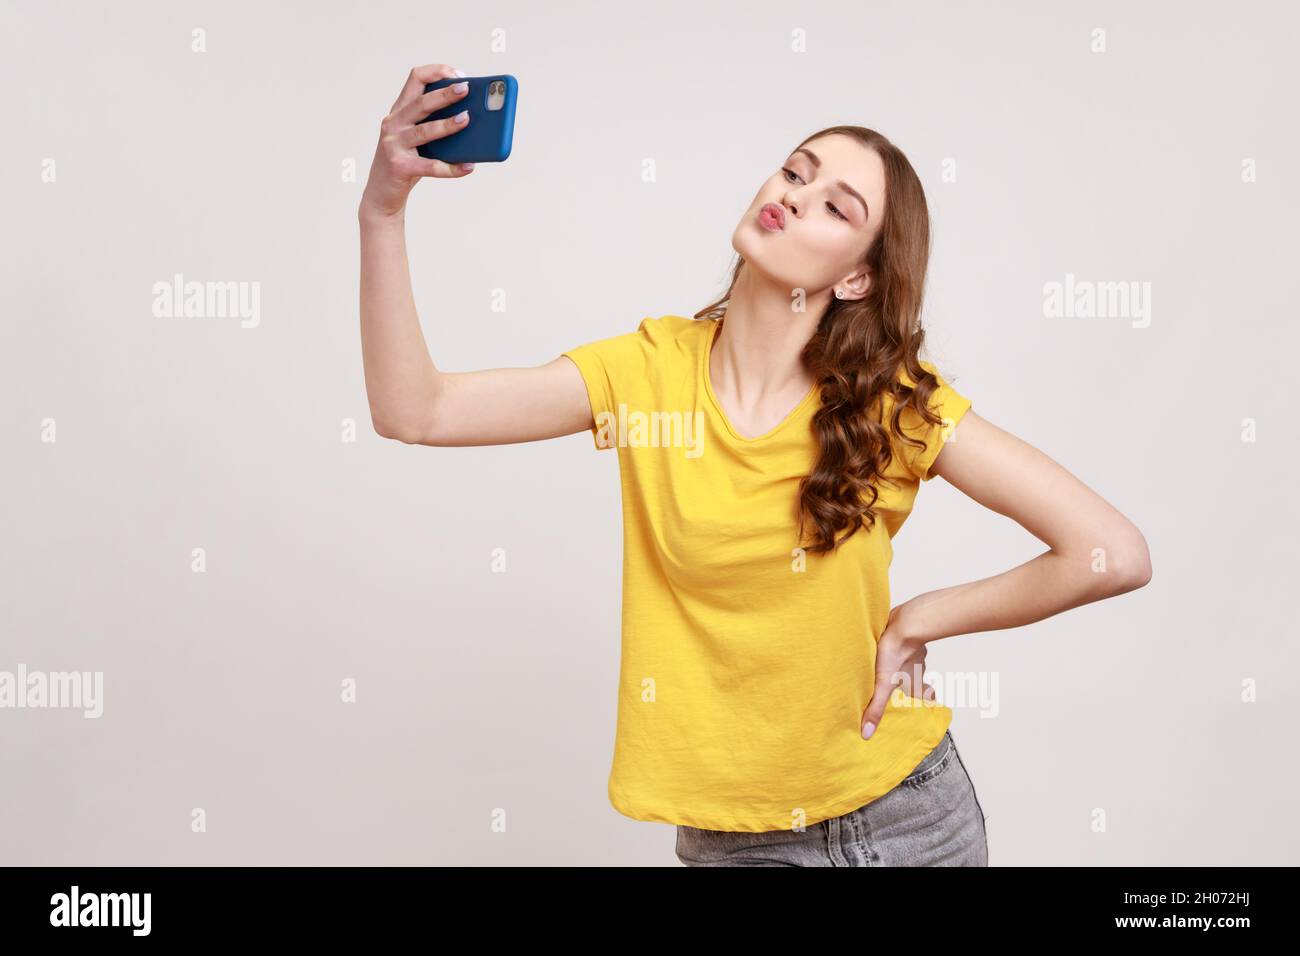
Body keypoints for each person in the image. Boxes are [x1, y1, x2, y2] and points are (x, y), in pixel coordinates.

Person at [358, 63, 1153, 867]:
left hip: (907, 824)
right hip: (737, 844)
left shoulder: (893, 403)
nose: (799, 195)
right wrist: (383, 213)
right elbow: (415, 412)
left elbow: (1111, 554)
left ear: (856, 278)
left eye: (837, 206)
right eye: (796, 172)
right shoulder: (646, 372)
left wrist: (921, 618)